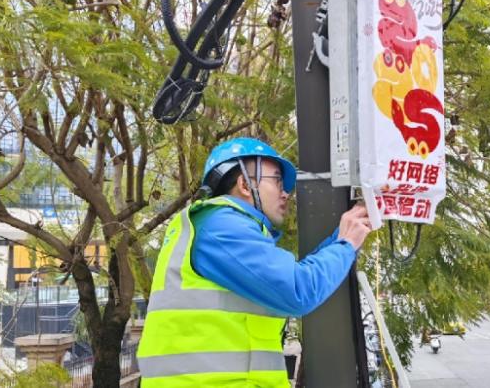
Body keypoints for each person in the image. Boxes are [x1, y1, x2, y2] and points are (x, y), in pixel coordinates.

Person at [137, 137, 372, 387]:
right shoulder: (221, 227)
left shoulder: (220, 229)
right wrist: (346, 244)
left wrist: (344, 236)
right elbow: (298, 290)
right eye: (277, 180)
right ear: (245, 185)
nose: (286, 193)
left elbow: (293, 279)